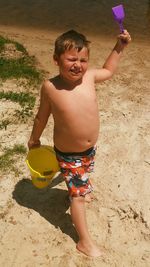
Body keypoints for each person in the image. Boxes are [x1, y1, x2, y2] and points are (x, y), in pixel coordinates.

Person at [28, 29, 131, 257]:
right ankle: (84, 241)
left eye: (83, 60)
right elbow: (41, 117)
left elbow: (108, 70)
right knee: (78, 198)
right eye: (71, 59)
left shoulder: (90, 77)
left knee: (84, 173)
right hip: (69, 154)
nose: (78, 65)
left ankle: (80, 184)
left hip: (89, 149)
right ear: (56, 60)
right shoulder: (51, 87)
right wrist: (34, 139)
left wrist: (119, 47)